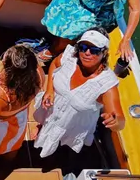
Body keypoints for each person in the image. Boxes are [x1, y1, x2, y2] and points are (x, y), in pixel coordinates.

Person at [33, 28, 125, 158]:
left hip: (72, 124)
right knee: (45, 123)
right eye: (83, 47)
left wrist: (116, 122)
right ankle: (42, 127)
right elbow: (54, 64)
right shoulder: (69, 55)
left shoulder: (107, 84)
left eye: (94, 50)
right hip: (52, 109)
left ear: (104, 53)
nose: (87, 53)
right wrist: (49, 90)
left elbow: (120, 121)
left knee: (62, 151)